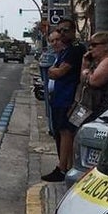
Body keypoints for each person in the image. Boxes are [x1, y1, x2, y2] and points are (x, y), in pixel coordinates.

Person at [43, 18, 84, 182]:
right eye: (59, 30)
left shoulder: (75, 50)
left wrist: (54, 71)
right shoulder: (65, 51)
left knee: (66, 132)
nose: (62, 33)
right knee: (61, 132)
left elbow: (57, 73)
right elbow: (53, 71)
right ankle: (65, 166)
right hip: (60, 97)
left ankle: (63, 168)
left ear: (73, 31)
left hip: (67, 98)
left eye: (65, 30)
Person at [75, 30, 108, 125]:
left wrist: (86, 71)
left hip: (106, 111)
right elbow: (83, 81)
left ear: (106, 46)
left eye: (94, 45)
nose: (90, 48)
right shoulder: (96, 63)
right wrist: (85, 64)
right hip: (94, 109)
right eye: (89, 45)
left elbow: (94, 81)